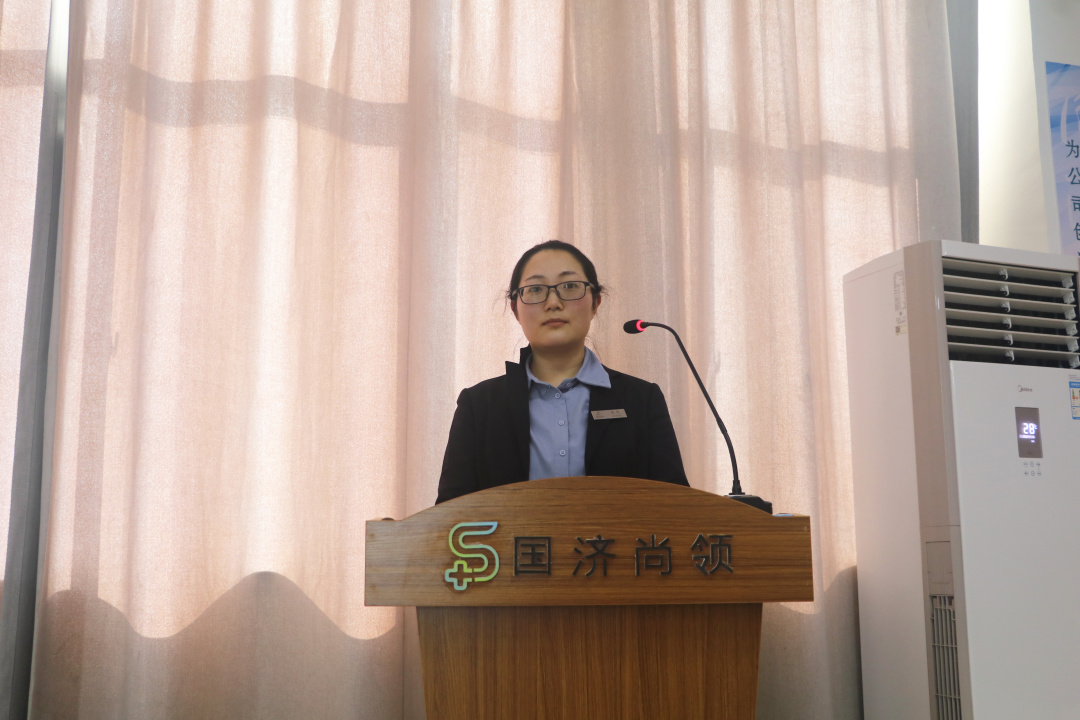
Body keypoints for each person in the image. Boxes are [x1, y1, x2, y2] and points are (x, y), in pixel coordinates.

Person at [435, 240, 689, 504]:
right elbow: (451, 515)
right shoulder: (478, 406)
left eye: (569, 287)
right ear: (515, 309)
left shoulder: (642, 400)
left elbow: (677, 507)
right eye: (535, 289)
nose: (553, 302)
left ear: (595, 303)